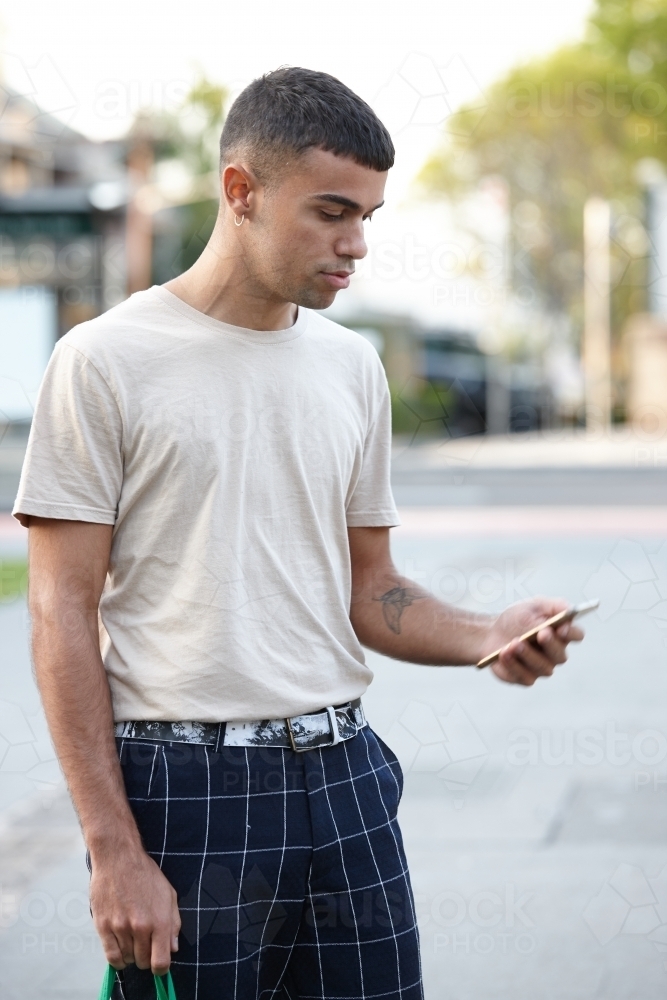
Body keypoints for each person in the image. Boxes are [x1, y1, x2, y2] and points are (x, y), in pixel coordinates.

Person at [14, 67, 583, 1000]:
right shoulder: (104, 362)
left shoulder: (352, 368)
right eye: (330, 211)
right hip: (186, 793)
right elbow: (59, 614)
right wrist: (111, 849)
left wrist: (485, 634)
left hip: (347, 781)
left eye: (369, 215)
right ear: (240, 191)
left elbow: (370, 589)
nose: (355, 243)